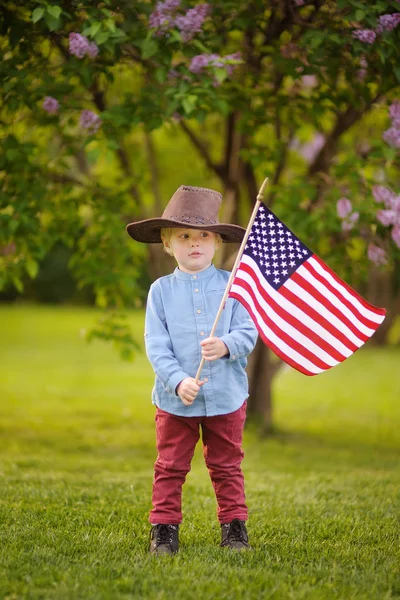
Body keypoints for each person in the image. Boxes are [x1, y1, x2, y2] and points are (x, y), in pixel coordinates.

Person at [126, 185, 258, 554]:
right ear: (168, 243)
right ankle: (164, 528)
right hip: (175, 400)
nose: (194, 243)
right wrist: (178, 379)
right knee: (169, 465)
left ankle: (234, 528)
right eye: (184, 236)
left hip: (227, 397)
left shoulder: (233, 286)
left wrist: (228, 344)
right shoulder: (160, 291)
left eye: (203, 235)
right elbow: (156, 344)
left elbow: (248, 331)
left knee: (227, 465)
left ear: (218, 243)